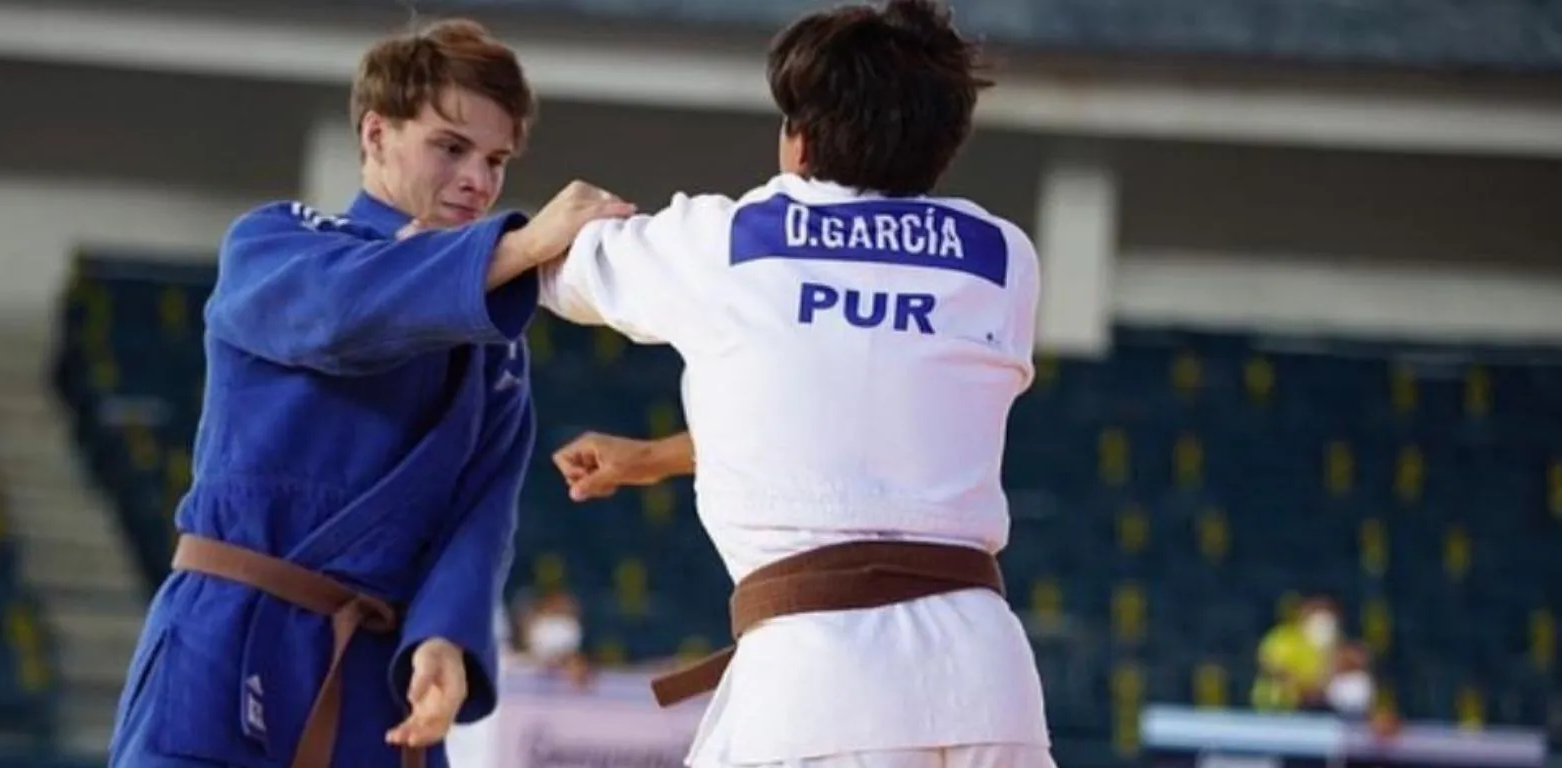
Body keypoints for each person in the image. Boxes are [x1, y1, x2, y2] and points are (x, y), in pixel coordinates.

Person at [537, 2, 1053, 767]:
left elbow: (550, 270)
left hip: (819, 692)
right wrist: (654, 459)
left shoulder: (726, 243)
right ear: (942, 147)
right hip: (988, 686)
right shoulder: (1003, 262)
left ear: (800, 139)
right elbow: (859, 420)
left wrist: (555, 222)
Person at [107, 18, 633, 768]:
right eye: (450, 148)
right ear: (376, 133)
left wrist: (447, 637)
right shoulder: (275, 243)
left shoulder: (493, 338)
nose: (477, 181)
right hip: (232, 633)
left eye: (496, 159)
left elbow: (481, 512)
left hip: (383, 669)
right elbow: (340, 318)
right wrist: (519, 246)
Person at [1252, 596, 1342, 712]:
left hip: (1318, 704)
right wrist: (1302, 688)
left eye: (1327, 609)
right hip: (1279, 705)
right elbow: (1273, 667)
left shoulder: (1329, 643)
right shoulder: (1283, 636)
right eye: (1316, 609)